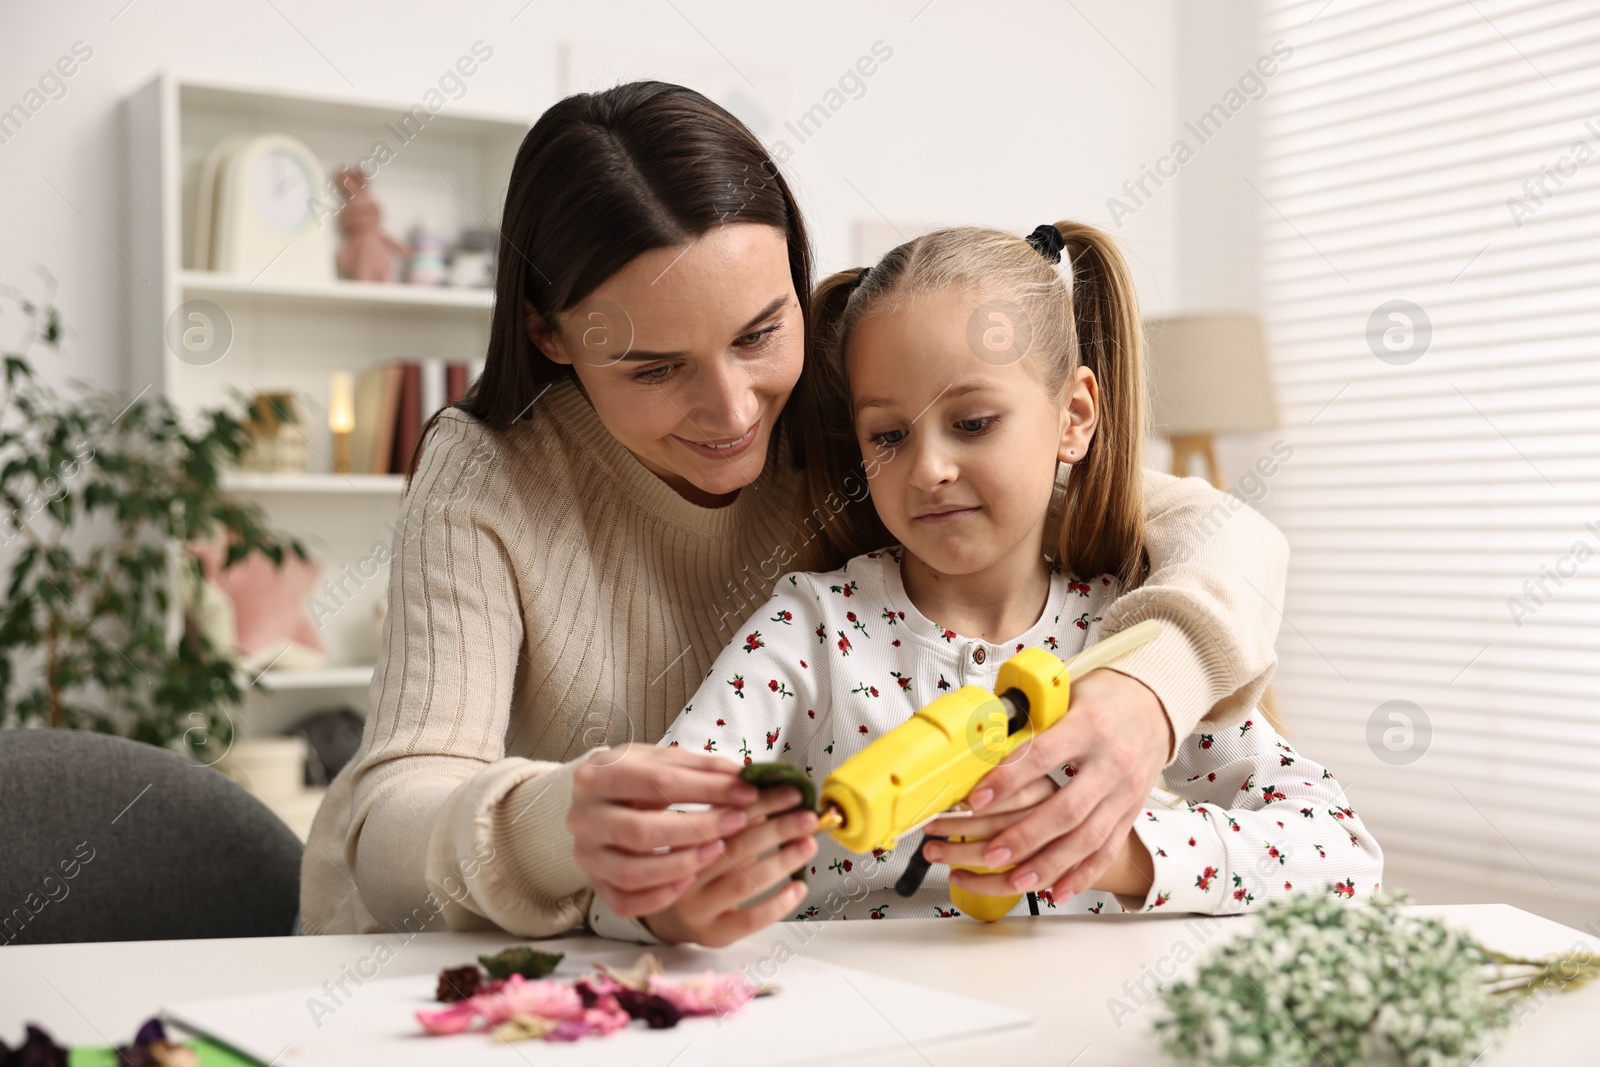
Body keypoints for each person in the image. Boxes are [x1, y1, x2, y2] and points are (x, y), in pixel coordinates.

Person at [299, 82, 1292, 940]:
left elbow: (1225, 532)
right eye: (655, 367)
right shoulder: (489, 474)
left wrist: (1145, 689)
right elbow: (381, 827)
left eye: (759, 332)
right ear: (549, 333)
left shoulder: (856, 421)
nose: (734, 412)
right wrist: (560, 826)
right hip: (467, 969)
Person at [634, 222, 1381, 945]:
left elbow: (1345, 857)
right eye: (888, 436)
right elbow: (647, 854)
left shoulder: (1128, 635)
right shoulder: (813, 631)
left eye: (974, 421)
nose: (928, 469)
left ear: (1074, 418)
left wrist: (1116, 849)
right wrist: (680, 897)